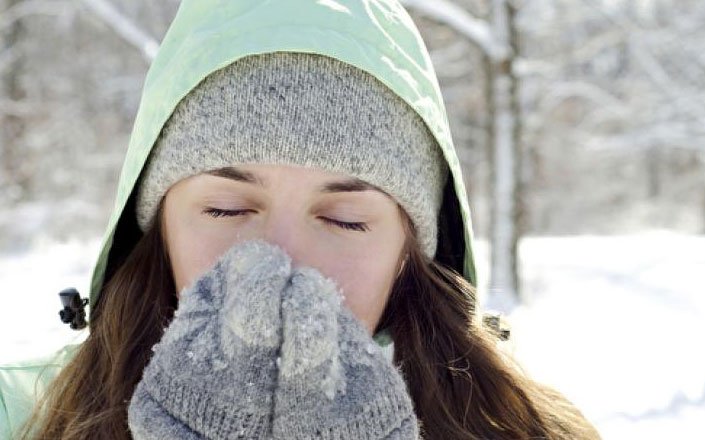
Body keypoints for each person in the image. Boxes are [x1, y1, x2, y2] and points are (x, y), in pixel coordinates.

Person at [0, 0, 601, 439]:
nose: (280, 258)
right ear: (157, 229)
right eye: (227, 209)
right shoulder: (21, 416)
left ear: (408, 253)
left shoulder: (527, 430)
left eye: (343, 219)